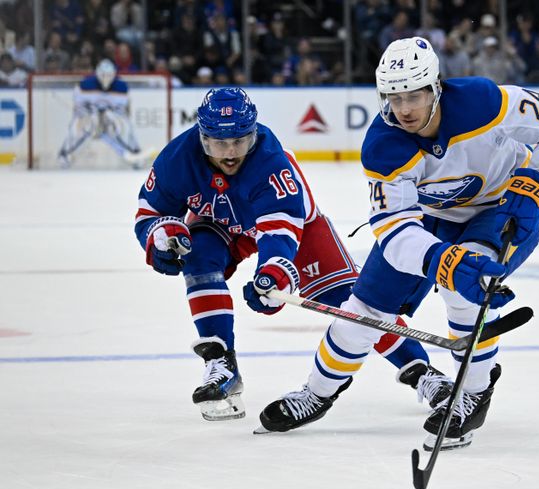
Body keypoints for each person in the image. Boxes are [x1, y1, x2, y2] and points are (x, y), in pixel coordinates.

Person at [257, 37, 539, 449]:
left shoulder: (484, 102)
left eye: (414, 95)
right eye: (394, 98)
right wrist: (439, 260)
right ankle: (317, 393)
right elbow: (394, 229)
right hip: (427, 218)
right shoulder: (384, 146)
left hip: (501, 209)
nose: (404, 109)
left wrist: (536, 183)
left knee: (469, 290)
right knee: (360, 312)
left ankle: (472, 393)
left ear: (436, 86)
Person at [134, 87, 452, 422]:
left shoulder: (271, 163)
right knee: (198, 259)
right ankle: (220, 361)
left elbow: (280, 233)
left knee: (354, 302)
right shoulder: (176, 159)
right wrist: (160, 238)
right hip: (221, 224)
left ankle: (422, 372)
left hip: (299, 228)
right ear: (201, 138)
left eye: (239, 142)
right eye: (218, 144)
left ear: (253, 134)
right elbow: (148, 214)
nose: (230, 154)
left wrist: (273, 275)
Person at [57, 59, 142, 168]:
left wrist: (109, 112)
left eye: (109, 75)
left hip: (110, 118)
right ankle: (65, 155)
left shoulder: (122, 87)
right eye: (103, 75)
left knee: (125, 126)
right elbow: (78, 109)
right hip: (90, 118)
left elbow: (123, 111)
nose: (106, 78)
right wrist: (90, 112)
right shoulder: (84, 86)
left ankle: (134, 152)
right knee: (76, 127)